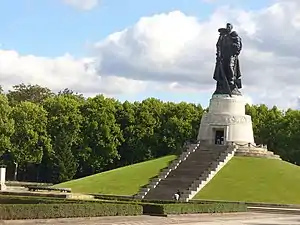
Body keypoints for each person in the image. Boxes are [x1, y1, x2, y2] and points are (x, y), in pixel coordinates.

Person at [213, 23, 243, 96]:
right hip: (223, 56)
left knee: (230, 66)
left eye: (229, 27)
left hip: (231, 55)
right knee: (222, 69)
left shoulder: (234, 35)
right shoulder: (223, 37)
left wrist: (233, 50)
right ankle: (222, 84)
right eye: (227, 27)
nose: (228, 28)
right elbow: (218, 46)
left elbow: (238, 46)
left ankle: (231, 81)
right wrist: (219, 54)